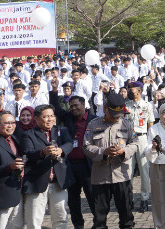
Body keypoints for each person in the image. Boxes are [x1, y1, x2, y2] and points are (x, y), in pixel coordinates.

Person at [84, 92, 139, 229]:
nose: (116, 118)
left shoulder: (127, 124)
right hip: (100, 177)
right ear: (105, 108)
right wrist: (103, 152)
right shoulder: (93, 124)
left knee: (126, 217)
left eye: (119, 114)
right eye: (113, 114)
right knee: (99, 219)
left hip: (121, 176)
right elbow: (86, 146)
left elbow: (135, 143)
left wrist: (123, 151)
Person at [21, 104, 73, 229]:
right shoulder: (29, 134)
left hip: (58, 182)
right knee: (34, 220)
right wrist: (42, 152)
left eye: (52, 116)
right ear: (37, 119)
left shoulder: (62, 130)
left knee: (60, 218)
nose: (50, 119)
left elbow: (70, 143)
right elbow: (27, 152)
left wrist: (61, 150)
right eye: (46, 116)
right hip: (37, 182)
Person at [53, 94, 96, 229]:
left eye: (76, 105)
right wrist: (54, 91)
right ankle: (78, 225)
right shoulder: (68, 118)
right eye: (71, 106)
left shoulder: (94, 120)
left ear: (84, 105)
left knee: (92, 197)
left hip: (87, 166)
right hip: (70, 166)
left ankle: (98, 223)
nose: (73, 108)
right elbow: (57, 109)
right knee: (73, 200)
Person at [0, 111, 25, 229]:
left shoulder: (14, 139)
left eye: (13, 122)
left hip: (16, 191)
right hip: (2, 195)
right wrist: (9, 167)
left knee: (16, 226)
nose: (10, 126)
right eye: (6, 123)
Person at [125, 80, 155, 212]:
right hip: (129, 139)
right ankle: (129, 199)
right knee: (128, 170)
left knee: (144, 170)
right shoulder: (126, 106)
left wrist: (150, 141)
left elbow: (151, 124)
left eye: (132, 91)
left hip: (142, 137)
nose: (129, 93)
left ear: (139, 91)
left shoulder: (147, 105)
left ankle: (144, 199)